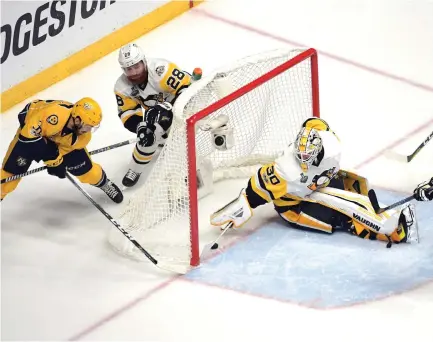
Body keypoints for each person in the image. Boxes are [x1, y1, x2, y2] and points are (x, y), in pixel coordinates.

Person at [210, 118, 419, 246]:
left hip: (315, 186)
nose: (303, 161)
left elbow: (311, 121)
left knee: (358, 185)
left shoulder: (322, 134)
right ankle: (391, 232)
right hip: (296, 206)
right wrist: (237, 211)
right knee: (342, 215)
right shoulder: (285, 171)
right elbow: (255, 190)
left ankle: (374, 213)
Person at [1, 98, 123, 203]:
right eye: (87, 126)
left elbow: (61, 152)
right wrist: (51, 156)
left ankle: (104, 183)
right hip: (32, 134)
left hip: (58, 140)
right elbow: (27, 136)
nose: (88, 130)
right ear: (77, 119)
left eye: (92, 127)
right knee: (8, 177)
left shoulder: (82, 137)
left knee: (88, 172)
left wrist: (56, 162)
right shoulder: (54, 115)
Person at [114, 42, 192, 187]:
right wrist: (141, 127)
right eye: (129, 69)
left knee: (182, 140)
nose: (134, 72)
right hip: (157, 114)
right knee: (147, 137)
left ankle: (188, 167)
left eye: (137, 66)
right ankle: (135, 169)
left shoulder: (161, 70)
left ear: (144, 61)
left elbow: (188, 88)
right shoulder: (121, 87)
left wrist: (170, 107)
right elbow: (128, 113)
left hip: (184, 105)